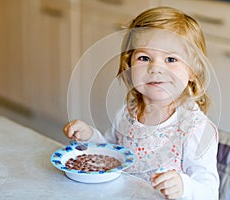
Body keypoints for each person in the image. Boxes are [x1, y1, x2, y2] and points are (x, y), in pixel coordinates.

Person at [63, 6, 219, 200]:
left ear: (193, 72)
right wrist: (90, 137)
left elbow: (210, 193)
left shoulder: (195, 128)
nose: (155, 68)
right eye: (144, 58)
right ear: (129, 66)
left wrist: (184, 187)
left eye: (171, 59)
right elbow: (112, 154)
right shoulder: (129, 112)